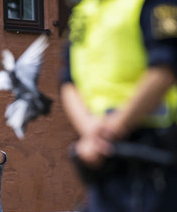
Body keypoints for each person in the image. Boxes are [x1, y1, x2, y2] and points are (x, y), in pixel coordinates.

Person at [59, 0, 177, 211]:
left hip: (154, 151)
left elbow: (165, 68)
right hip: (104, 156)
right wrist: (91, 133)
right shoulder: (83, 11)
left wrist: (109, 129)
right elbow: (68, 82)